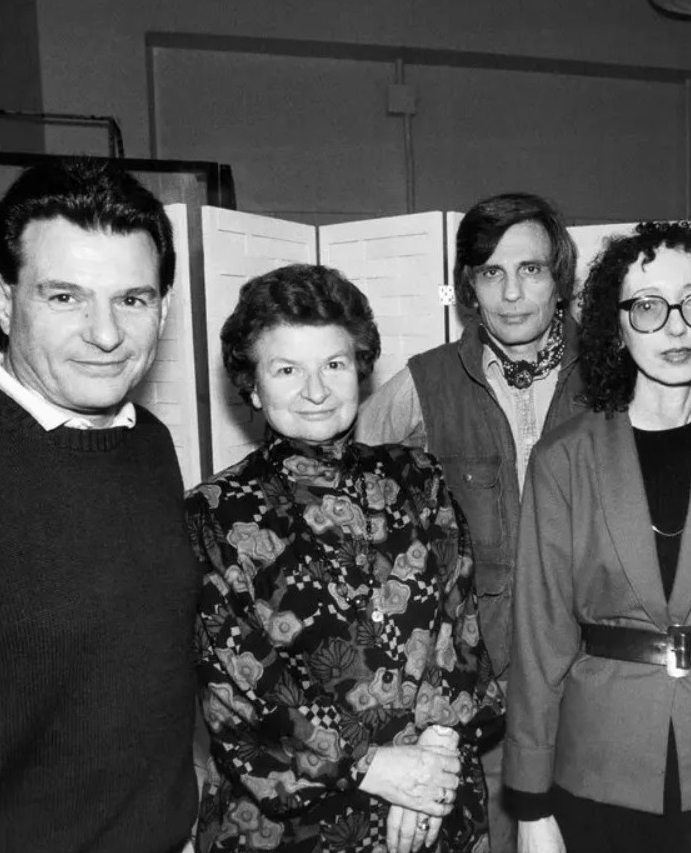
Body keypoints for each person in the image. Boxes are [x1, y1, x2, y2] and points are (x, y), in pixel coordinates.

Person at [0, 160, 198, 851]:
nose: (105, 334)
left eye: (133, 299)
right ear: (5, 301)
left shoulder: (148, 443)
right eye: (65, 297)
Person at [504, 221, 691, 853]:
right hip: (599, 763)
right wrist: (530, 806)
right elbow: (539, 636)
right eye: (647, 306)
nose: (675, 327)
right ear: (616, 326)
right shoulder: (565, 456)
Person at [189, 264, 502, 853]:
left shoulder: (419, 478)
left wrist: (435, 751)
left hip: (435, 806)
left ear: (359, 368)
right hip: (294, 823)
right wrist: (375, 767)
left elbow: (459, 626)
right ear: (252, 386)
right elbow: (237, 686)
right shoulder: (214, 514)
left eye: (333, 364)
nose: (316, 389)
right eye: (287, 369)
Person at [356, 192, 584, 853]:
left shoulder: (610, 376)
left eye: (531, 270)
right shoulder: (425, 382)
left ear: (559, 278)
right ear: (467, 287)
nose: (511, 293)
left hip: (583, 681)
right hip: (471, 690)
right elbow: (347, 496)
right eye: (490, 272)